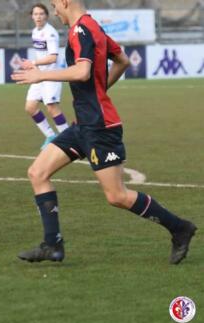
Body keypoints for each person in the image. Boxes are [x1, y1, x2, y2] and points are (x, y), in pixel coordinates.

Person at [11, 0, 196, 264]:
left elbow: (83, 71)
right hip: (84, 125)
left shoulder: (81, 30)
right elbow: (121, 60)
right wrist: (99, 92)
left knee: (117, 196)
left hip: (100, 127)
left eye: (55, 5)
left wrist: (42, 76)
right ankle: (52, 245)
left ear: (65, 1)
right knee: (37, 173)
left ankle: (180, 228)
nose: (55, 11)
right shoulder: (92, 26)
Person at [20, 3, 69, 150]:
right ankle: (51, 136)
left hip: (51, 75)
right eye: (35, 14)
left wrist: (33, 62)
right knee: (30, 107)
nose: (38, 17)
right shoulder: (35, 31)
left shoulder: (50, 33)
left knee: (52, 107)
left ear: (46, 16)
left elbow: (53, 57)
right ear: (32, 16)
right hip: (39, 75)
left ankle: (67, 138)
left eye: (41, 14)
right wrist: (34, 66)